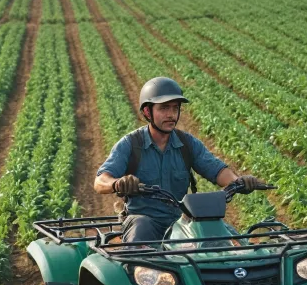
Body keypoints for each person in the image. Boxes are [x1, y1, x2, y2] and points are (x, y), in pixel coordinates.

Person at [94, 77, 264, 242]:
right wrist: (117, 183)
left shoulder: (187, 144)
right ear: (147, 112)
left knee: (224, 238)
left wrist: (238, 181)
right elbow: (100, 181)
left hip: (179, 221)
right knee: (141, 229)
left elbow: (217, 170)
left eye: (175, 108)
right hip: (142, 219)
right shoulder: (130, 144)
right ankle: (135, 269)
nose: (171, 115)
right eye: (164, 108)